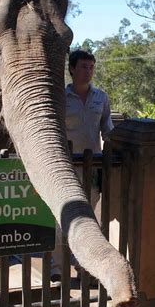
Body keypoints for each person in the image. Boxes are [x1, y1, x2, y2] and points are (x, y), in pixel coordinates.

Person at [51, 49, 113, 281]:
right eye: (84, 67)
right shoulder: (60, 97)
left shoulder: (101, 98)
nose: (88, 71)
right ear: (72, 69)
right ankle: (57, 268)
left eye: (91, 67)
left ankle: (82, 265)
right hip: (65, 166)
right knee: (61, 216)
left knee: (86, 219)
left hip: (93, 168)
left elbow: (108, 130)